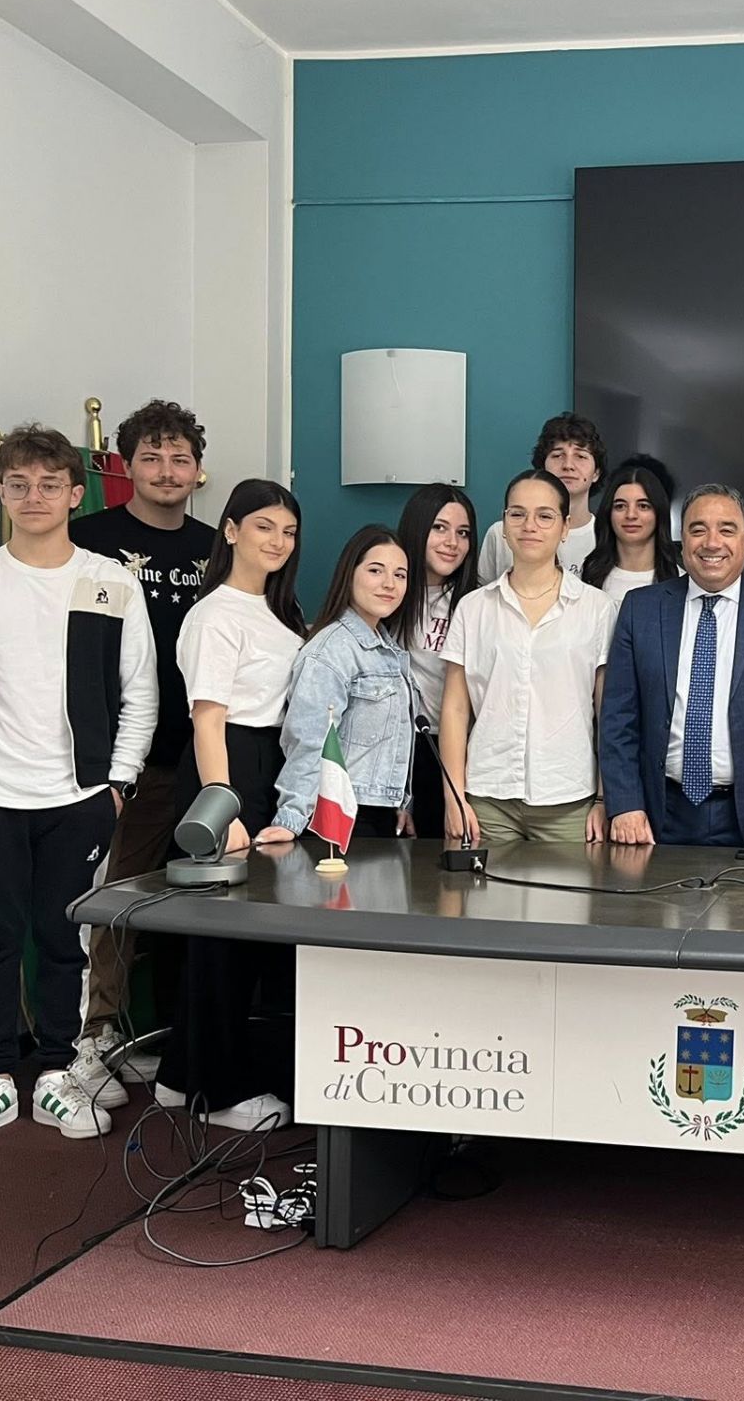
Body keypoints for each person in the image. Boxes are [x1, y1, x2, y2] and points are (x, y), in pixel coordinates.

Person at [0, 426, 156, 1151]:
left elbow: (139, 694)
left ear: (77, 494)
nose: (34, 496)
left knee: (62, 940)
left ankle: (55, 1075)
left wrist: (116, 785)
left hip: (77, 801)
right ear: (1, 492)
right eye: (19, 484)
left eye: (49, 484)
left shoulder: (111, 584)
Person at [66, 399, 216, 1084]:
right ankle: (89, 1041)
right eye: (151, 458)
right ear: (126, 467)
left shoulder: (217, 546)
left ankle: (148, 1039)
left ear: (198, 470)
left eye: (179, 458)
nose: (166, 470)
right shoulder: (87, 539)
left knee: (179, 906)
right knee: (111, 899)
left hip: (198, 758)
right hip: (117, 759)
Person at [152, 479, 306, 1130]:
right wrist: (224, 808)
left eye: (289, 532)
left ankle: (179, 1076)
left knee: (236, 939)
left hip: (267, 763)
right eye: (264, 526)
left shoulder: (280, 610)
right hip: (226, 769)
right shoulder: (214, 613)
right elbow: (208, 719)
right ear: (233, 529)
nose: (278, 541)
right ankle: (218, 1095)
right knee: (221, 941)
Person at [600, 484, 744, 849]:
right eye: (698, 530)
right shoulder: (641, 609)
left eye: (726, 530)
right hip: (654, 815)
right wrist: (625, 804)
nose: (712, 543)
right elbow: (618, 718)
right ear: (682, 541)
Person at [441, 469, 619, 845]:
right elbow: (455, 709)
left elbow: (608, 711)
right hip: (486, 799)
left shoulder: (596, 608)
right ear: (504, 525)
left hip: (570, 800)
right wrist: (453, 796)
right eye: (517, 514)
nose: (529, 526)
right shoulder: (473, 608)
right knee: (480, 887)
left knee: (573, 887)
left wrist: (605, 798)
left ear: (565, 527)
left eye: (545, 516)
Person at [258, 526, 416, 844]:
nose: (389, 583)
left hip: (378, 815)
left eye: (400, 575)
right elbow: (309, 741)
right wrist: (291, 817)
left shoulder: (387, 649)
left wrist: (400, 802)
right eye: (375, 570)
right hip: (335, 816)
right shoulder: (331, 651)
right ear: (349, 574)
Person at [394, 483, 478, 839]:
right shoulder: (389, 592)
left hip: (459, 752)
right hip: (399, 749)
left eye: (463, 533)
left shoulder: (475, 603)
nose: (452, 542)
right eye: (439, 528)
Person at [475, 412, 605, 582]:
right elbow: (485, 592)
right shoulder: (501, 533)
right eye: (557, 455)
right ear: (542, 467)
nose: (568, 465)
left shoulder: (606, 537)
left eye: (580, 456)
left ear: (596, 473)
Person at [581, 459, 680, 599]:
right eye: (620, 506)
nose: (631, 515)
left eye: (643, 506)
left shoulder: (680, 581)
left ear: (659, 513)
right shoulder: (588, 576)